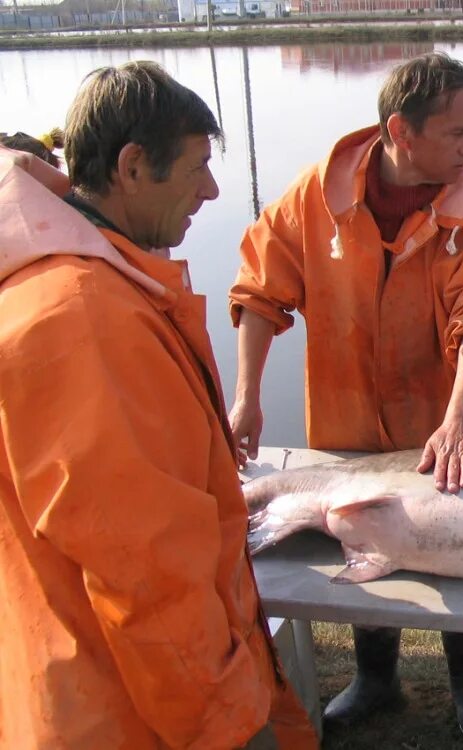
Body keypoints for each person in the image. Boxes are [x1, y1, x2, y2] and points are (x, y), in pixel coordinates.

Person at [0, 61, 317, 749]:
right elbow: (144, 574)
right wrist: (231, 722)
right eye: (197, 167)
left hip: (79, 681)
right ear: (133, 166)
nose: (211, 190)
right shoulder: (84, 317)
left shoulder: (58, 280)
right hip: (134, 715)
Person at [228, 52, 463, 739]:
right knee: (354, 538)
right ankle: (374, 678)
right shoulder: (317, 196)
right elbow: (259, 287)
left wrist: (460, 420)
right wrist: (246, 397)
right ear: (401, 130)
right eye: (457, 133)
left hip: (440, 433)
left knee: (459, 545)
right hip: (346, 423)